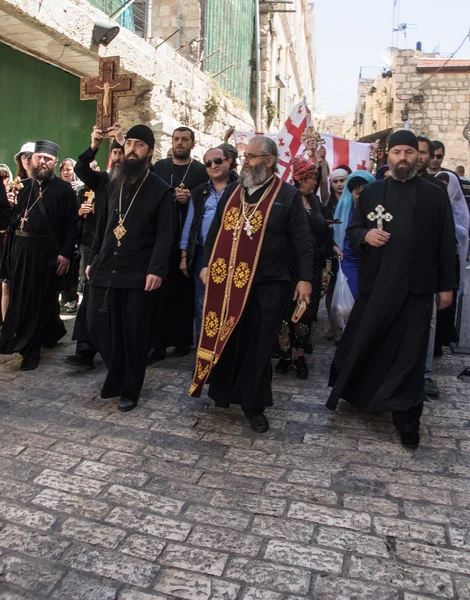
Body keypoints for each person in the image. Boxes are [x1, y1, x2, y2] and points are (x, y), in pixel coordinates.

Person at [327, 130, 457, 448]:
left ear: (419, 157)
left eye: (409, 152)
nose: (403, 158)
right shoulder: (372, 194)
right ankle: (362, 395)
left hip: (417, 289)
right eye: (397, 152)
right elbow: (354, 230)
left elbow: (446, 242)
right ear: (389, 156)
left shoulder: (434, 194)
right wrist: (365, 237)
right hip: (378, 286)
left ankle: (407, 419)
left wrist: (447, 287)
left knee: (410, 355)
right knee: (371, 343)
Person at [190, 136, 313, 433]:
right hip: (228, 281)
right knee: (228, 338)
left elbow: (302, 241)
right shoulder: (233, 191)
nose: (246, 161)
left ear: (269, 161)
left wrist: (305, 279)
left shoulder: (287, 196)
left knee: (258, 346)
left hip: (267, 284)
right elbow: (215, 232)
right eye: (246, 156)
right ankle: (222, 393)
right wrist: (205, 264)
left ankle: (253, 405)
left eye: (253, 157)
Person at [86, 125, 174, 412]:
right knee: (101, 329)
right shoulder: (115, 182)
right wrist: (93, 258)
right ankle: (116, 376)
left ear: (149, 151)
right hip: (107, 267)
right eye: (129, 144)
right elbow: (103, 226)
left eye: (139, 144)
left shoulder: (160, 189)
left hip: (139, 272)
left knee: (134, 335)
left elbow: (165, 234)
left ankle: (129, 389)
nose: (132, 149)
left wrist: (157, 269)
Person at [0, 140, 77, 370]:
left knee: (37, 300)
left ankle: (30, 350)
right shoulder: (24, 186)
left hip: (46, 254)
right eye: (39, 157)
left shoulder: (64, 190)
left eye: (48, 159)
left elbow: (72, 226)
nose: (42, 162)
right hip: (20, 252)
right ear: (31, 160)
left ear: (54, 163)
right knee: (21, 298)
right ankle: (49, 333)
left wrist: (66, 254)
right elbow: (14, 222)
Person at [63, 124, 125, 371]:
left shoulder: (140, 181)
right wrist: (94, 145)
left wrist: (123, 139)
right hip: (100, 249)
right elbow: (80, 168)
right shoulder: (102, 181)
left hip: (125, 251)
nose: (119, 158)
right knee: (89, 299)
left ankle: (116, 352)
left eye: (122, 152)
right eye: (115, 153)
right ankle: (85, 351)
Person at [149, 127, 208, 363]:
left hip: (187, 243)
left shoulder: (201, 171)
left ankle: (183, 340)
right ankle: (158, 343)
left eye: (185, 139)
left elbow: (207, 198)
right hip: (161, 239)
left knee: (183, 294)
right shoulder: (160, 167)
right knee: (159, 292)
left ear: (193, 143)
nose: (180, 143)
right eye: (176, 139)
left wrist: (190, 198)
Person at [275, 157, 334, 379]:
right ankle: (284, 355)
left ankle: (299, 355)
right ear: (300, 178)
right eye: (311, 178)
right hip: (289, 265)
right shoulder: (287, 199)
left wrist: (331, 248)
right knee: (285, 311)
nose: (314, 183)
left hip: (314, 265)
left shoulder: (316, 202)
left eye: (316, 178)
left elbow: (323, 231)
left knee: (306, 312)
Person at [180, 147, 238, 343]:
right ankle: (203, 354)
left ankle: (226, 353)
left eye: (218, 161)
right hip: (204, 256)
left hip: (235, 256)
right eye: (208, 163)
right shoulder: (198, 193)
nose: (213, 165)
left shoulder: (242, 189)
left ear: (228, 162)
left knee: (231, 305)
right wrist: (184, 256)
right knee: (202, 305)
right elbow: (189, 225)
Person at [333, 170, 376, 301]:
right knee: (351, 298)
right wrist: (335, 247)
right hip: (349, 260)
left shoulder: (378, 209)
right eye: (355, 192)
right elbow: (336, 232)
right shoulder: (344, 208)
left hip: (371, 260)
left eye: (363, 191)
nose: (358, 195)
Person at [59, 157, 84, 313]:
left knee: (74, 269)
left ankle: (72, 299)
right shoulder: (57, 188)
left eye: (69, 169)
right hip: (60, 235)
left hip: (78, 234)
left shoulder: (80, 188)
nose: (66, 173)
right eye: (64, 170)